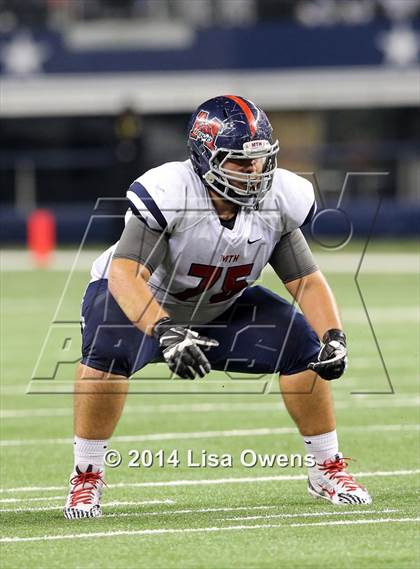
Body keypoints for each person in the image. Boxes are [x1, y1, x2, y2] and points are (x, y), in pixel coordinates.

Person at [64, 95, 372, 519]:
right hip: (143, 302)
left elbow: (305, 279)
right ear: (205, 158)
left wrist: (334, 336)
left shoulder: (279, 198)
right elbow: (125, 275)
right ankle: (87, 476)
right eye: (241, 163)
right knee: (106, 353)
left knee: (305, 347)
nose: (256, 172)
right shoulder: (172, 190)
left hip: (220, 306)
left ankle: (326, 467)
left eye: (262, 160)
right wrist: (164, 329)